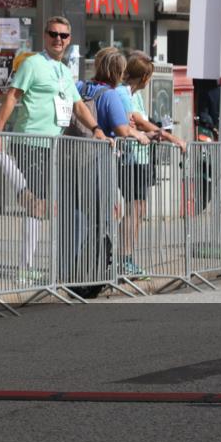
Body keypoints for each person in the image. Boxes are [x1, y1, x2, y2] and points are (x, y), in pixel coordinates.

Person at [0, 17, 105, 283]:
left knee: (43, 204)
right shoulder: (33, 63)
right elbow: (13, 95)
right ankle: (25, 267)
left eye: (63, 35)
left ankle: (39, 264)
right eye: (53, 34)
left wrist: (97, 129)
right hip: (31, 142)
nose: (58, 39)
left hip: (54, 147)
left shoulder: (65, 71)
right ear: (45, 36)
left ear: (69, 39)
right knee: (37, 204)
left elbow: (78, 107)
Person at [77, 47, 150, 277]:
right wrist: (137, 134)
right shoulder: (109, 94)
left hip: (74, 156)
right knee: (101, 216)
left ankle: (75, 263)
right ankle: (97, 268)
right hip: (97, 160)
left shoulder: (81, 86)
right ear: (118, 71)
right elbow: (121, 129)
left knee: (78, 213)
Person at [115, 51, 185, 277]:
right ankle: (124, 257)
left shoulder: (132, 93)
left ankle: (127, 256)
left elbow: (141, 124)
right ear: (143, 77)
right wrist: (171, 138)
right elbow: (138, 123)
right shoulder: (123, 93)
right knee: (134, 208)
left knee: (139, 208)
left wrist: (154, 134)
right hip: (129, 158)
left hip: (140, 157)